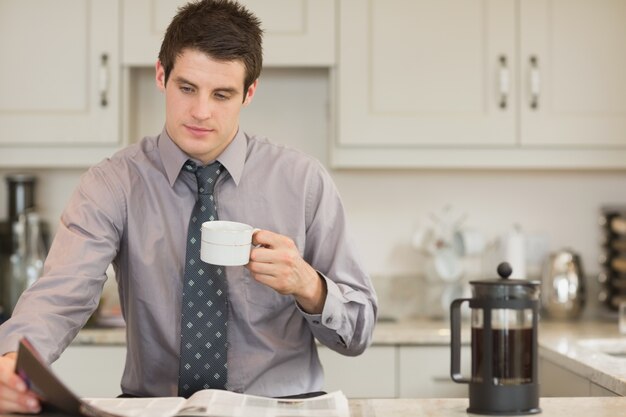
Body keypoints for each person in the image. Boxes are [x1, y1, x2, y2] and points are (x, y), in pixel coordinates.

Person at [0, 0, 377, 413]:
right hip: (157, 409)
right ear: (161, 75)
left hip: (281, 407)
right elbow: (60, 294)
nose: (201, 111)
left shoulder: (303, 182)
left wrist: (308, 285)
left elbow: (358, 334)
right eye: (187, 88)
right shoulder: (111, 183)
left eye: (222, 94)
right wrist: (11, 362)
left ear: (249, 93)